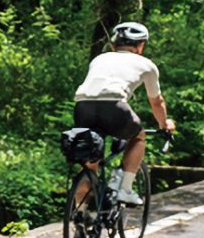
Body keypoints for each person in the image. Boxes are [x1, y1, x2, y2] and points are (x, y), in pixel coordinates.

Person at [73, 21, 176, 211]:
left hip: (82, 107)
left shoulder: (99, 59)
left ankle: (81, 214)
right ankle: (125, 189)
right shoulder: (147, 65)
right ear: (141, 45)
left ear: (113, 45)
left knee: (90, 164)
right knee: (138, 136)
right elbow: (156, 102)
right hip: (114, 108)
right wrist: (164, 124)